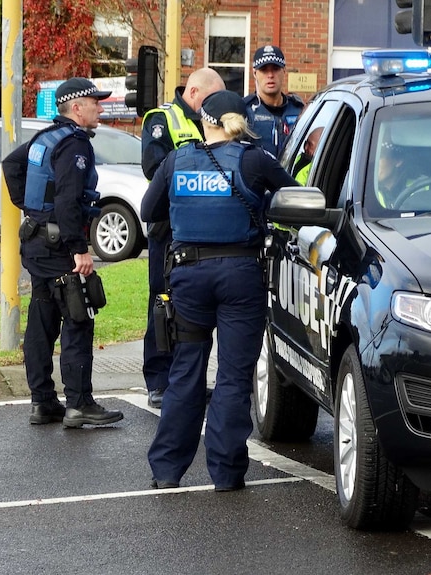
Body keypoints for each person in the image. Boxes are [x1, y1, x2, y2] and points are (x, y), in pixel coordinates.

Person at [142, 90, 299, 491]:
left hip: (188, 276)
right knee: (232, 375)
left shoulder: (176, 160)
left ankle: (166, 470)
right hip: (240, 277)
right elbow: (293, 197)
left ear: (205, 120)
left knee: (185, 371)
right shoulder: (254, 159)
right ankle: (226, 474)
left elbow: (148, 211)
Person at [10, 78, 124, 427]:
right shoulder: (74, 144)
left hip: (36, 242)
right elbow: (68, 199)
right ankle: (79, 404)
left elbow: (11, 166)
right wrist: (80, 250)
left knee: (42, 319)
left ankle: (43, 402)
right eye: (95, 102)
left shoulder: (45, 138)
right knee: (78, 316)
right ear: (77, 108)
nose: (100, 108)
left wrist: (30, 209)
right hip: (60, 246)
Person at [140, 67, 225, 409]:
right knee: (163, 305)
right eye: (211, 98)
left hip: (201, 231)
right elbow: (154, 167)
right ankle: (159, 382)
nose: (216, 106)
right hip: (168, 230)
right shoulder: (162, 119)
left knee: (194, 312)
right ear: (193, 94)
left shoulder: (212, 118)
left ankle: (188, 382)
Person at [243, 45, 305, 160]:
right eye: (264, 70)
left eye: (275, 69)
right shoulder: (244, 112)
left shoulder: (299, 110)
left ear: (284, 71)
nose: (270, 75)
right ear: (255, 73)